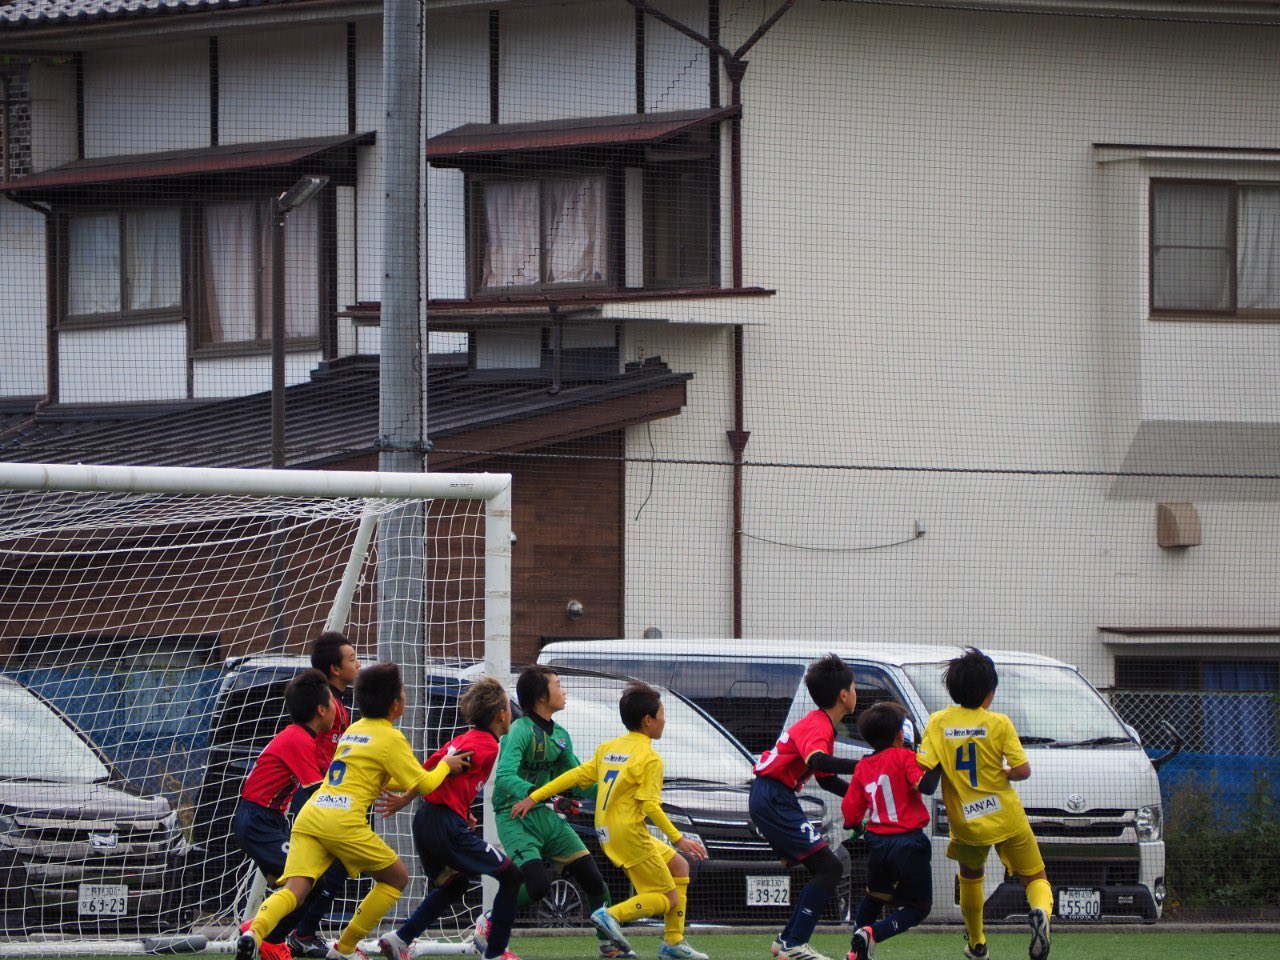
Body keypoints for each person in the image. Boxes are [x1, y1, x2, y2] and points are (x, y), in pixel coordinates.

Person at [236, 662, 471, 960]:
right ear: (397, 704)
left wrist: (415, 782)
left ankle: (254, 932)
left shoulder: (354, 730)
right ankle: (344, 948)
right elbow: (424, 784)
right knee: (397, 878)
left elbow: (385, 776)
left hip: (312, 815)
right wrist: (445, 766)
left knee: (295, 889)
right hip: (342, 820)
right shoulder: (390, 737)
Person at [512, 681, 709, 960]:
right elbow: (650, 805)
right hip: (629, 832)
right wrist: (679, 838)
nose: (665, 720)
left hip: (608, 830)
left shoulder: (610, 747)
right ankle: (610, 915)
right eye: (662, 714)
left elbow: (575, 776)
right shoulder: (649, 757)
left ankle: (673, 942)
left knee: (679, 866)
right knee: (668, 898)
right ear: (648, 720)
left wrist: (535, 796)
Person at [916, 648, 1052, 960]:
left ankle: (977, 943)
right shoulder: (1000, 723)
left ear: (952, 689)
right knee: (1035, 877)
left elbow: (924, 768)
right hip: (1007, 817)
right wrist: (1006, 772)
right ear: (990, 693)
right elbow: (1023, 771)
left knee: (971, 876)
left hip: (966, 822)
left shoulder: (938, 722)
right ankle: (1041, 913)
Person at [375, 676, 523, 960]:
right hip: (444, 826)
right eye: (508, 708)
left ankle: (400, 939)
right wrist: (410, 798)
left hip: (428, 821)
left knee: (455, 885)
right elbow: (438, 773)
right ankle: (495, 953)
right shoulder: (486, 746)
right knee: (512, 876)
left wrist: (460, 808)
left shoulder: (463, 738)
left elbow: (431, 768)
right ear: (501, 715)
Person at [488, 666, 621, 957]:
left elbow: (577, 781)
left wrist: (617, 787)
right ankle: (489, 921)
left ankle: (607, 943)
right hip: (515, 816)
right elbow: (505, 777)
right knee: (536, 885)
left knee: (594, 880)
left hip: (543, 814)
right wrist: (541, 796)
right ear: (541, 696)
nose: (564, 691)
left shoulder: (560, 736)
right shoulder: (518, 731)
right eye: (558, 685)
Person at [751, 654, 859, 960]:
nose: (855, 693)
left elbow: (825, 779)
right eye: (853, 687)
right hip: (773, 798)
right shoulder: (819, 726)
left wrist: (861, 796)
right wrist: (866, 765)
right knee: (830, 866)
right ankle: (794, 944)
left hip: (775, 797)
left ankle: (787, 942)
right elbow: (817, 761)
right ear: (843, 695)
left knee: (824, 867)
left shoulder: (821, 724)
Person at [232, 670, 336, 960]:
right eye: (333, 703)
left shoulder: (303, 738)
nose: (338, 709)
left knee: (298, 889)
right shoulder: (298, 739)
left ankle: (260, 934)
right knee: (311, 882)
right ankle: (269, 938)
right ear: (321, 710)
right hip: (257, 821)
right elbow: (318, 793)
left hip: (267, 820)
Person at [286, 632, 362, 959]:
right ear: (335, 668)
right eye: (352, 659)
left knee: (327, 869)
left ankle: (297, 932)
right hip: (317, 797)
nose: (358, 664)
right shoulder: (326, 705)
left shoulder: (339, 705)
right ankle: (295, 933)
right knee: (326, 868)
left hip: (326, 796)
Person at [841, 702, 934, 960]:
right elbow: (924, 785)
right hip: (909, 843)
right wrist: (937, 762)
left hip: (878, 844)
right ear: (899, 735)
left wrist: (858, 825)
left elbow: (849, 813)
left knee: (874, 897)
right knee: (919, 907)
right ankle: (874, 934)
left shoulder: (863, 766)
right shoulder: (905, 756)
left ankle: (855, 947)